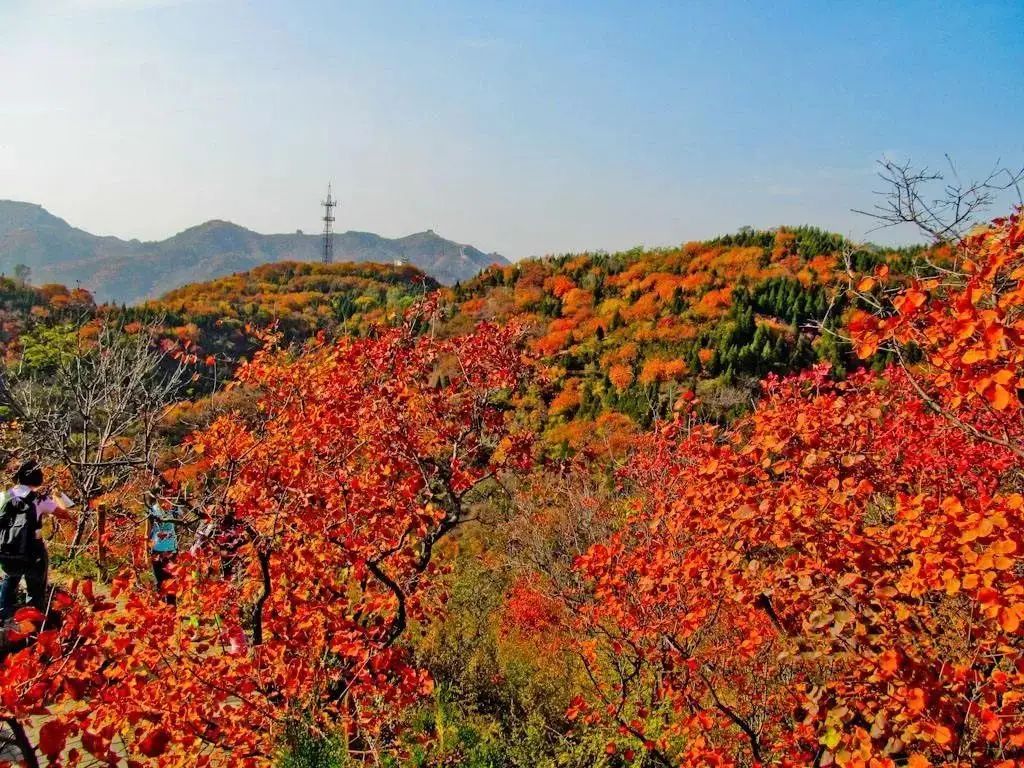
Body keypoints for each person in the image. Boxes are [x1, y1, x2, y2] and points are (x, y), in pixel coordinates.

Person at [0, 460, 69, 621]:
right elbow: (65, 514)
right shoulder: (39, 500)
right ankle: (33, 627)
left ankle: (5, 621)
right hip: (33, 553)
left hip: (7, 551)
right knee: (35, 591)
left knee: (9, 583)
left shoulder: (3, 496)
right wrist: (58, 496)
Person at [144, 483, 181, 604]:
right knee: (160, 580)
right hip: (157, 549)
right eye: (164, 493)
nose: (166, 497)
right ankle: (164, 608)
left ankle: (171, 607)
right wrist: (146, 551)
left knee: (169, 579)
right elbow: (147, 532)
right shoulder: (151, 511)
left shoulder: (174, 508)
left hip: (170, 550)